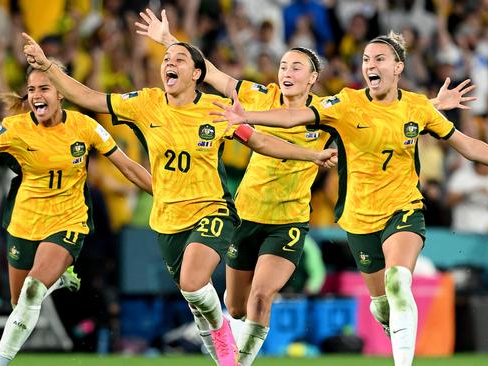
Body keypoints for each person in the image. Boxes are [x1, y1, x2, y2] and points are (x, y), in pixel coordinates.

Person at [136, 9, 478, 365]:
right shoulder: (256, 97)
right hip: (247, 214)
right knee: (235, 306)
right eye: (283, 66)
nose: (286, 73)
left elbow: (384, 116)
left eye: (296, 67)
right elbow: (206, 71)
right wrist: (168, 41)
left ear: (313, 77)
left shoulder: (326, 113)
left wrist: (433, 106)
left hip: (290, 220)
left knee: (261, 297)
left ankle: (237, 364)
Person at [213, 31, 488, 366]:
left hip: (403, 209)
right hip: (360, 218)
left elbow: (466, 145)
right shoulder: (345, 103)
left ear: (398, 67)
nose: (369, 65)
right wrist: (248, 118)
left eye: (378, 59)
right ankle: (388, 318)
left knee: (399, 280)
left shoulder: (418, 108)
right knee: (381, 303)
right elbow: (293, 117)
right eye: (365, 60)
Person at [22, 33, 338, 366]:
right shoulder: (146, 102)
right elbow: (89, 97)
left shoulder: (218, 110)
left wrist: (311, 156)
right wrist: (49, 68)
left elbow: (259, 142)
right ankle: (223, 340)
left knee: (213, 285)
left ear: (195, 74)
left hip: (220, 211)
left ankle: (231, 359)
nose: (169, 64)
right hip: (173, 218)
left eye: (179, 60)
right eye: (165, 60)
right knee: (215, 299)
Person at [0, 61, 153, 366]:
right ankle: (59, 280)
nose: (36, 94)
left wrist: (166, 194)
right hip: (24, 224)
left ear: (60, 92)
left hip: (68, 221)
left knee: (33, 292)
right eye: (32, 89)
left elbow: (128, 166)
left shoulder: (85, 127)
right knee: (19, 302)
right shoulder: (15, 128)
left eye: (44, 88)